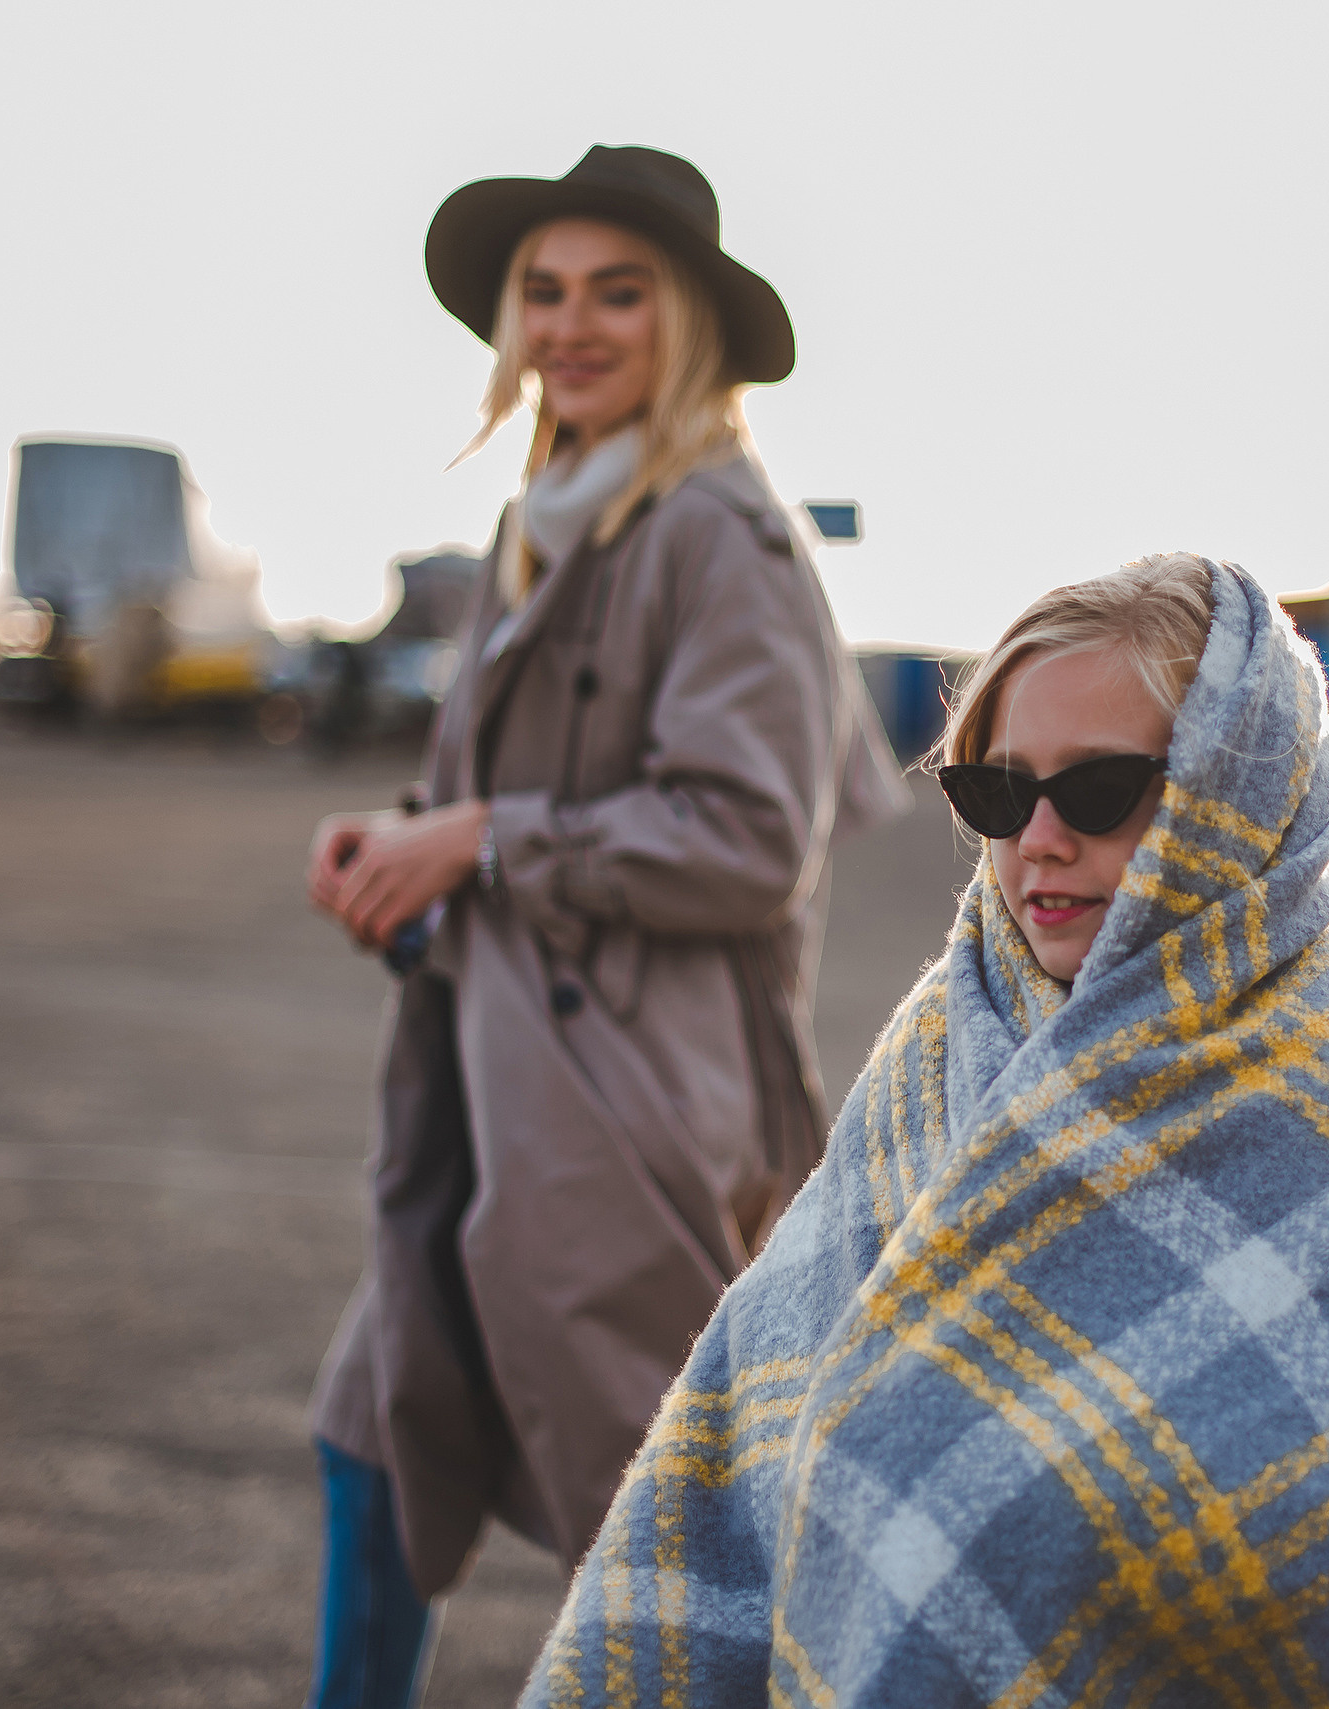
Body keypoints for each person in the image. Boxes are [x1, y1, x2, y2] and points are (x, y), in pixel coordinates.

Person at [524, 555, 1329, 1707]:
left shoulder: (1309, 1091)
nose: (1038, 837)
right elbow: (752, 1403)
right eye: (995, 792)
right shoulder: (949, 1031)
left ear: (1227, 797)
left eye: (1099, 792)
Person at [300, 145, 908, 1709]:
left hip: (631, 1113)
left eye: (617, 292)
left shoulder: (721, 532)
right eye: (545, 293)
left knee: (653, 1536)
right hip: (489, 1080)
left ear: (686, 323)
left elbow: (750, 839)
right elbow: (496, 818)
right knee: (372, 1434)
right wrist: (403, 861)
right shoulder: (547, 522)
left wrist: (484, 840)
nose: (571, 325)